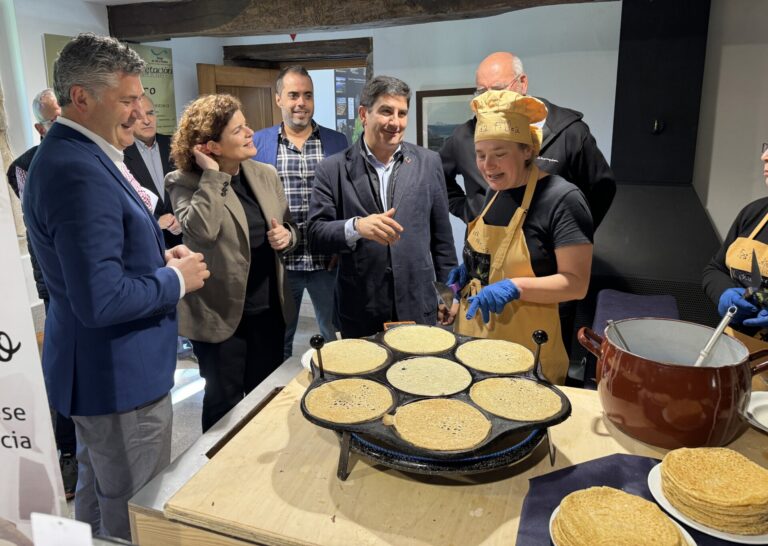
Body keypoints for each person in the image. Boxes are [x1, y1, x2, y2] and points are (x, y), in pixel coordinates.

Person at [22, 33, 209, 540]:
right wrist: (174, 279)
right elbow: (100, 299)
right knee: (134, 504)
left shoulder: (81, 154)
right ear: (81, 98)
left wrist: (154, 256)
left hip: (101, 371)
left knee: (98, 488)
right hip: (116, 376)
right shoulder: (76, 168)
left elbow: (99, 264)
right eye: (127, 100)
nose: (139, 110)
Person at [167, 94, 297, 432]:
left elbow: (289, 224)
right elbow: (202, 232)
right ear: (212, 145)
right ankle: (215, 471)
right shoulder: (183, 182)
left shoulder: (265, 174)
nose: (250, 132)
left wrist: (288, 236)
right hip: (220, 316)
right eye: (238, 130)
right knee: (224, 405)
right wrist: (212, 176)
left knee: (264, 395)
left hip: (269, 310)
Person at [448, 90, 593, 385]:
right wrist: (473, 269)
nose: (488, 165)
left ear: (527, 150)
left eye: (500, 154)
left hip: (527, 354)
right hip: (476, 345)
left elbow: (576, 284)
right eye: (481, 155)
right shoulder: (494, 192)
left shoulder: (562, 198)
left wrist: (515, 287)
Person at [308, 75, 457, 338]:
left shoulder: (429, 162)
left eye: (402, 113)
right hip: (360, 306)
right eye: (386, 111)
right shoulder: (332, 169)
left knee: (417, 375)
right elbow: (316, 235)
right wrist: (356, 227)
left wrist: (449, 293)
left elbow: (442, 240)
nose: (395, 122)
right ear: (364, 114)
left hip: (417, 303)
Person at [440, 51, 616, 229]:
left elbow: (602, 189)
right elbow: (438, 175)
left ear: (522, 83)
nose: (490, 99)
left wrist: (571, 233)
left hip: (546, 251)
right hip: (484, 248)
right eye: (481, 92)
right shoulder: (464, 136)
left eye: (499, 89)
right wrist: (468, 211)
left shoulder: (569, 132)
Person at [5, 89, 78, 500]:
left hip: (94, 282)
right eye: (53, 121)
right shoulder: (24, 167)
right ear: (40, 127)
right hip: (57, 286)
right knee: (62, 369)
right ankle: (66, 451)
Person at [252, 66, 348, 358]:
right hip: (281, 263)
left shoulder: (337, 142)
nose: (301, 103)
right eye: (293, 95)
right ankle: (276, 395)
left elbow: (347, 198)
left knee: (336, 338)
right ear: (279, 99)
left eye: (307, 95)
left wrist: (341, 245)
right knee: (279, 338)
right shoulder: (258, 143)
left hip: (326, 262)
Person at [703, 142, 768, 388]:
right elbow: (714, 269)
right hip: (731, 358)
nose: (764, 156)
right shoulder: (754, 214)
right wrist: (724, 294)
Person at [124, 94, 183, 249]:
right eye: (139, 116)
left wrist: (183, 217)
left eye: (150, 113)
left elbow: (194, 187)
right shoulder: (120, 155)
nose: (147, 121)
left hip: (186, 241)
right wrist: (155, 220)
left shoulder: (177, 145)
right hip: (147, 244)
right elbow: (124, 204)